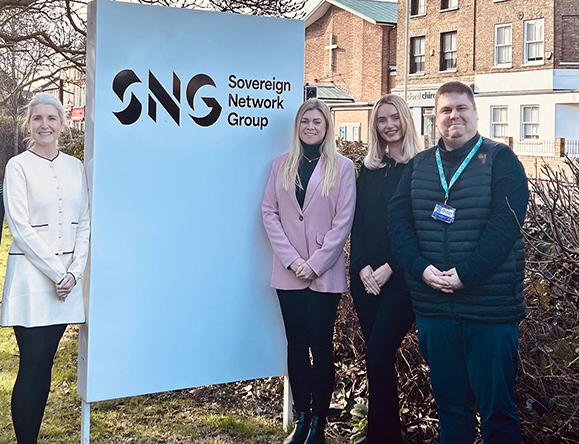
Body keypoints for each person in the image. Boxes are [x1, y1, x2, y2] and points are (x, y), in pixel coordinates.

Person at [388, 81, 528, 444]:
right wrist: (421, 269)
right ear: (435, 118)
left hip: (489, 312)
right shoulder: (418, 166)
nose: (454, 116)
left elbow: (505, 226)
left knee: (498, 411)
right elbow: (398, 225)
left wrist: (465, 275)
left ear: (475, 113)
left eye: (461, 108)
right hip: (435, 310)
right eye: (446, 110)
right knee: (451, 410)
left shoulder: (501, 161)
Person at [262, 98, 355, 444]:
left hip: (324, 273)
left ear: (327, 126)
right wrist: (292, 260)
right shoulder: (281, 165)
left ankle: (318, 425)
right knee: (296, 346)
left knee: (321, 346)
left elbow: (344, 221)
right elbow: (269, 212)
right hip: (289, 272)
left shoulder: (343, 167)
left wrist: (314, 264)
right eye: (305, 122)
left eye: (317, 122)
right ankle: (301, 419)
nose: (310, 127)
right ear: (297, 127)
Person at [2, 93, 90, 444]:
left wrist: (75, 272)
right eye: (37, 118)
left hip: (67, 282)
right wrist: (58, 273)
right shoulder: (17, 166)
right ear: (29, 124)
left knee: (46, 363)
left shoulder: (75, 167)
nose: (44, 125)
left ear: (62, 124)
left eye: (51, 118)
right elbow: (19, 226)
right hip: (32, 280)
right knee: (33, 363)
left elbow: (84, 222)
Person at [349, 94, 421, 443]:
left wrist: (390, 267)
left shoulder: (419, 168)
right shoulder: (369, 170)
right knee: (377, 361)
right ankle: (386, 435)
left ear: (405, 120)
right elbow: (358, 221)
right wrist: (361, 266)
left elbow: (419, 227)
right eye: (381, 120)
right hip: (365, 281)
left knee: (378, 354)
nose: (389, 125)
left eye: (394, 117)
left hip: (400, 282)